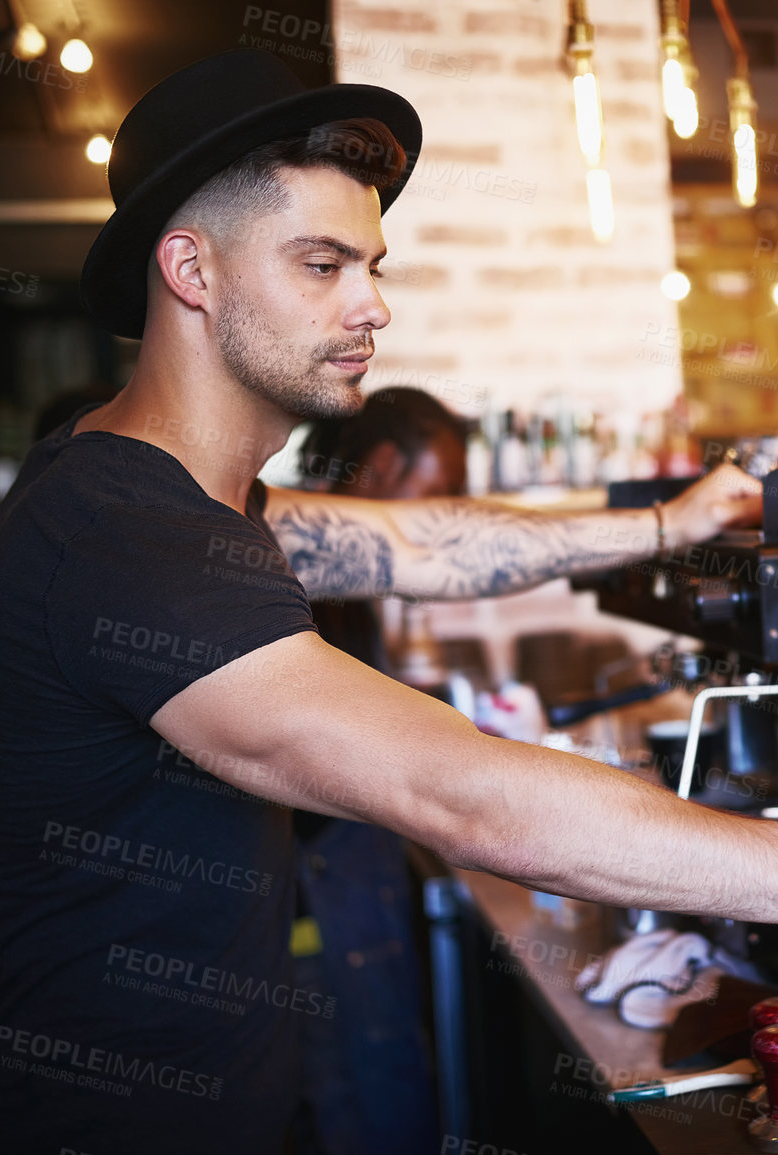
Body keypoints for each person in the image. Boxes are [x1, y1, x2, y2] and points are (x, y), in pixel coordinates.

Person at [0, 50, 778, 1154]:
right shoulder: (119, 534)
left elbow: (429, 544)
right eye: (324, 265)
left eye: (373, 265)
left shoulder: (187, 502)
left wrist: (659, 527)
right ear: (193, 273)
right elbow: (457, 792)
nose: (374, 307)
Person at [288, 388, 469, 1155]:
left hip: (344, 860)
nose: (439, 521)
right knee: (356, 1091)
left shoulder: (342, 570)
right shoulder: (301, 561)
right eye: (433, 496)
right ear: (384, 466)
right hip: (316, 878)